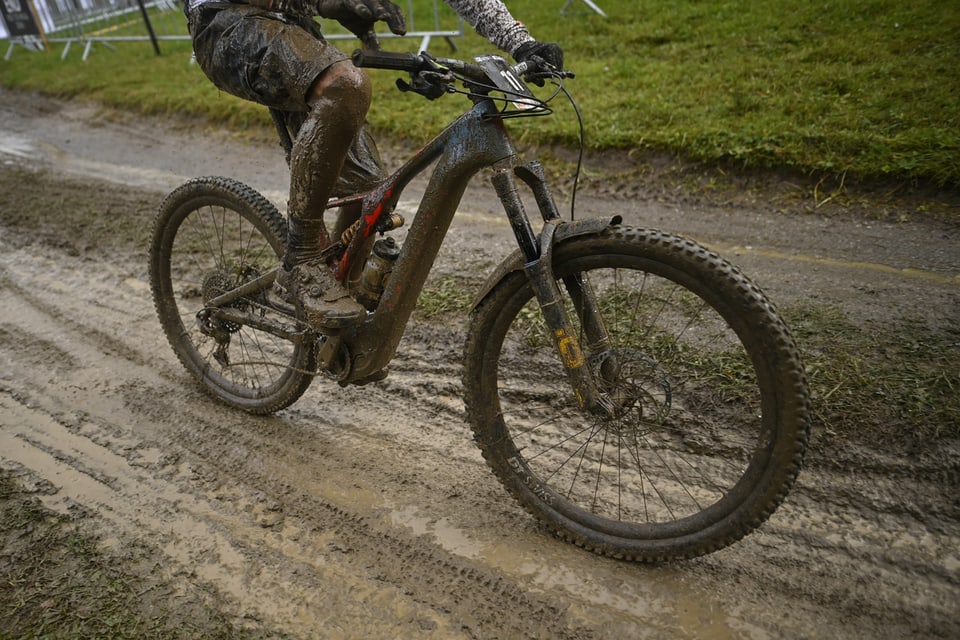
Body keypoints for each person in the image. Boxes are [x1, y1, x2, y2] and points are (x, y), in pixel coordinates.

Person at [185, 0, 563, 329]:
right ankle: (300, 261)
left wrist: (521, 41)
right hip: (226, 21)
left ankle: (335, 303)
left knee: (368, 193)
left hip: (288, 24)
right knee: (345, 85)